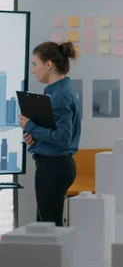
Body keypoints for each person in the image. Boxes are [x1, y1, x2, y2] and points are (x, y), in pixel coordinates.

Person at [18, 41, 81, 227]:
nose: (34, 70)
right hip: (54, 165)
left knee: (49, 227)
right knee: (47, 225)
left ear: (48, 65)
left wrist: (31, 127)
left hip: (54, 167)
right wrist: (34, 137)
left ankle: (58, 257)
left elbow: (62, 139)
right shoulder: (57, 92)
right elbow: (55, 133)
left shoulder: (60, 95)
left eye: (35, 64)